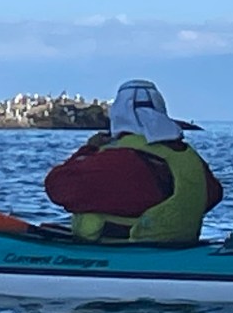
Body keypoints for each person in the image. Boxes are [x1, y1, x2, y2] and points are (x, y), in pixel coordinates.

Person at [44, 79, 222, 243]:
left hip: (124, 250)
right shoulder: (187, 156)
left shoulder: (118, 159)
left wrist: (88, 150)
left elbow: (57, 187)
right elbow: (213, 195)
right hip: (179, 247)